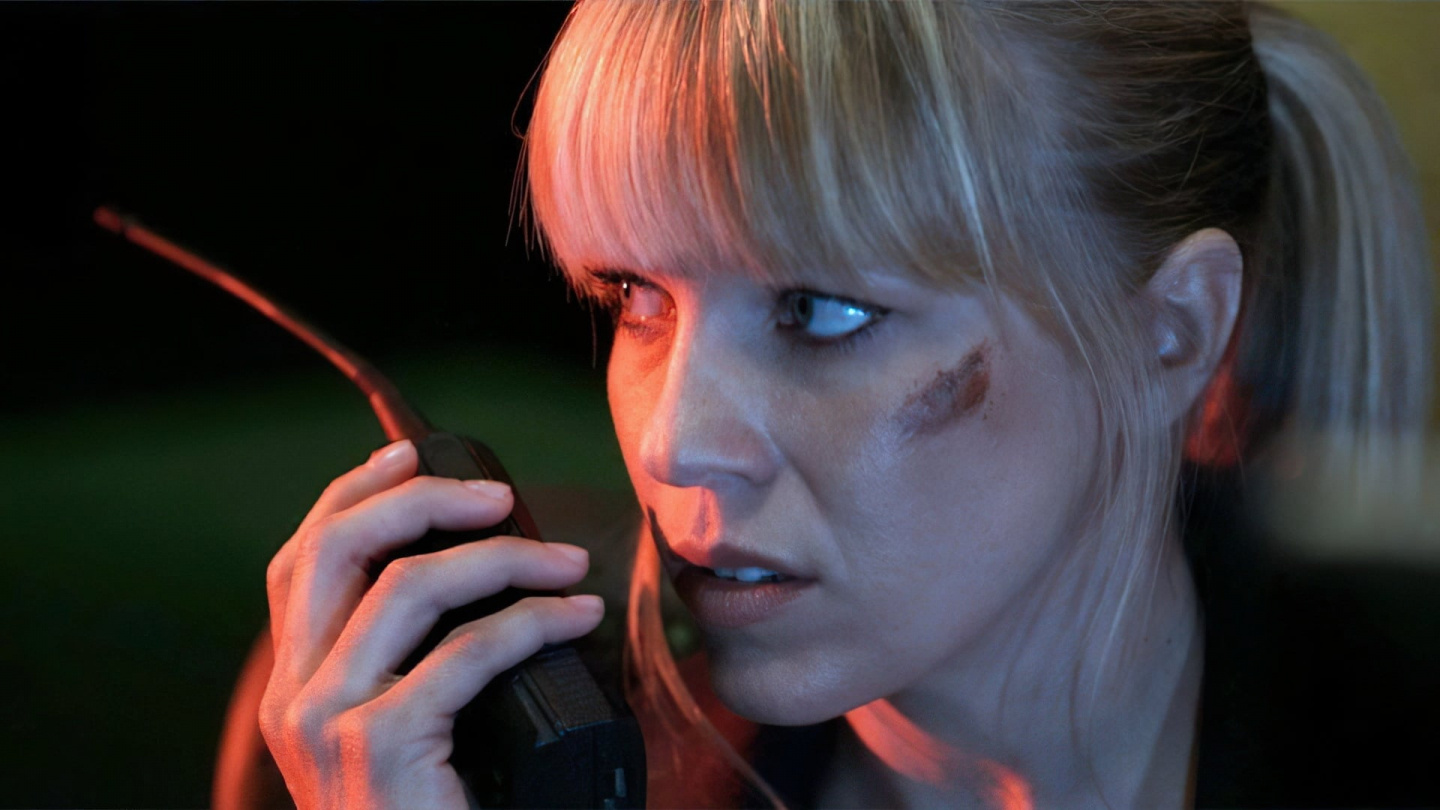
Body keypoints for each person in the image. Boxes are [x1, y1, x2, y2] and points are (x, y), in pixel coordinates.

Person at [226, 1, 1435, 807]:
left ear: (1170, 331)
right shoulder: (415, 750)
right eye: (635, 296)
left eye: (821, 310)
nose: (674, 442)